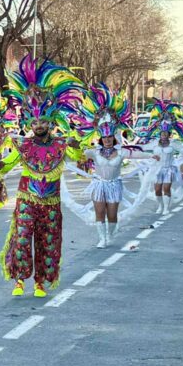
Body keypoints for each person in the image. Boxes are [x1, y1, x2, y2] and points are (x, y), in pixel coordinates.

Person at [0, 56, 84, 298]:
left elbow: (78, 155)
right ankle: (19, 281)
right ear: (29, 121)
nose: (38, 125)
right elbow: (7, 164)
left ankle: (40, 283)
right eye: (34, 121)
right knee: (22, 238)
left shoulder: (61, 144)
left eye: (42, 121)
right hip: (27, 201)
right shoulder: (23, 146)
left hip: (51, 204)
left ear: (50, 121)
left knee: (47, 242)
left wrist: (77, 143)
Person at [63, 83, 153, 247]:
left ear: (113, 138)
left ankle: (110, 234)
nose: (107, 140)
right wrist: (70, 142)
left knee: (112, 215)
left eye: (110, 138)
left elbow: (137, 153)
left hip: (115, 185)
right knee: (100, 212)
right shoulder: (95, 151)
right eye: (105, 138)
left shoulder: (121, 151)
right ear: (101, 139)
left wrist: (152, 155)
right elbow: (79, 150)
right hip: (99, 185)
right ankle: (102, 239)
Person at [141, 99, 183, 216]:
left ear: (169, 134)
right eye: (162, 134)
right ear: (160, 134)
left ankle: (166, 207)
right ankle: (160, 206)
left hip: (169, 169)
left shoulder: (173, 143)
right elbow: (143, 149)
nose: (163, 136)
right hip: (157, 170)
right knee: (157, 190)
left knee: (166, 188)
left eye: (166, 134)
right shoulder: (154, 143)